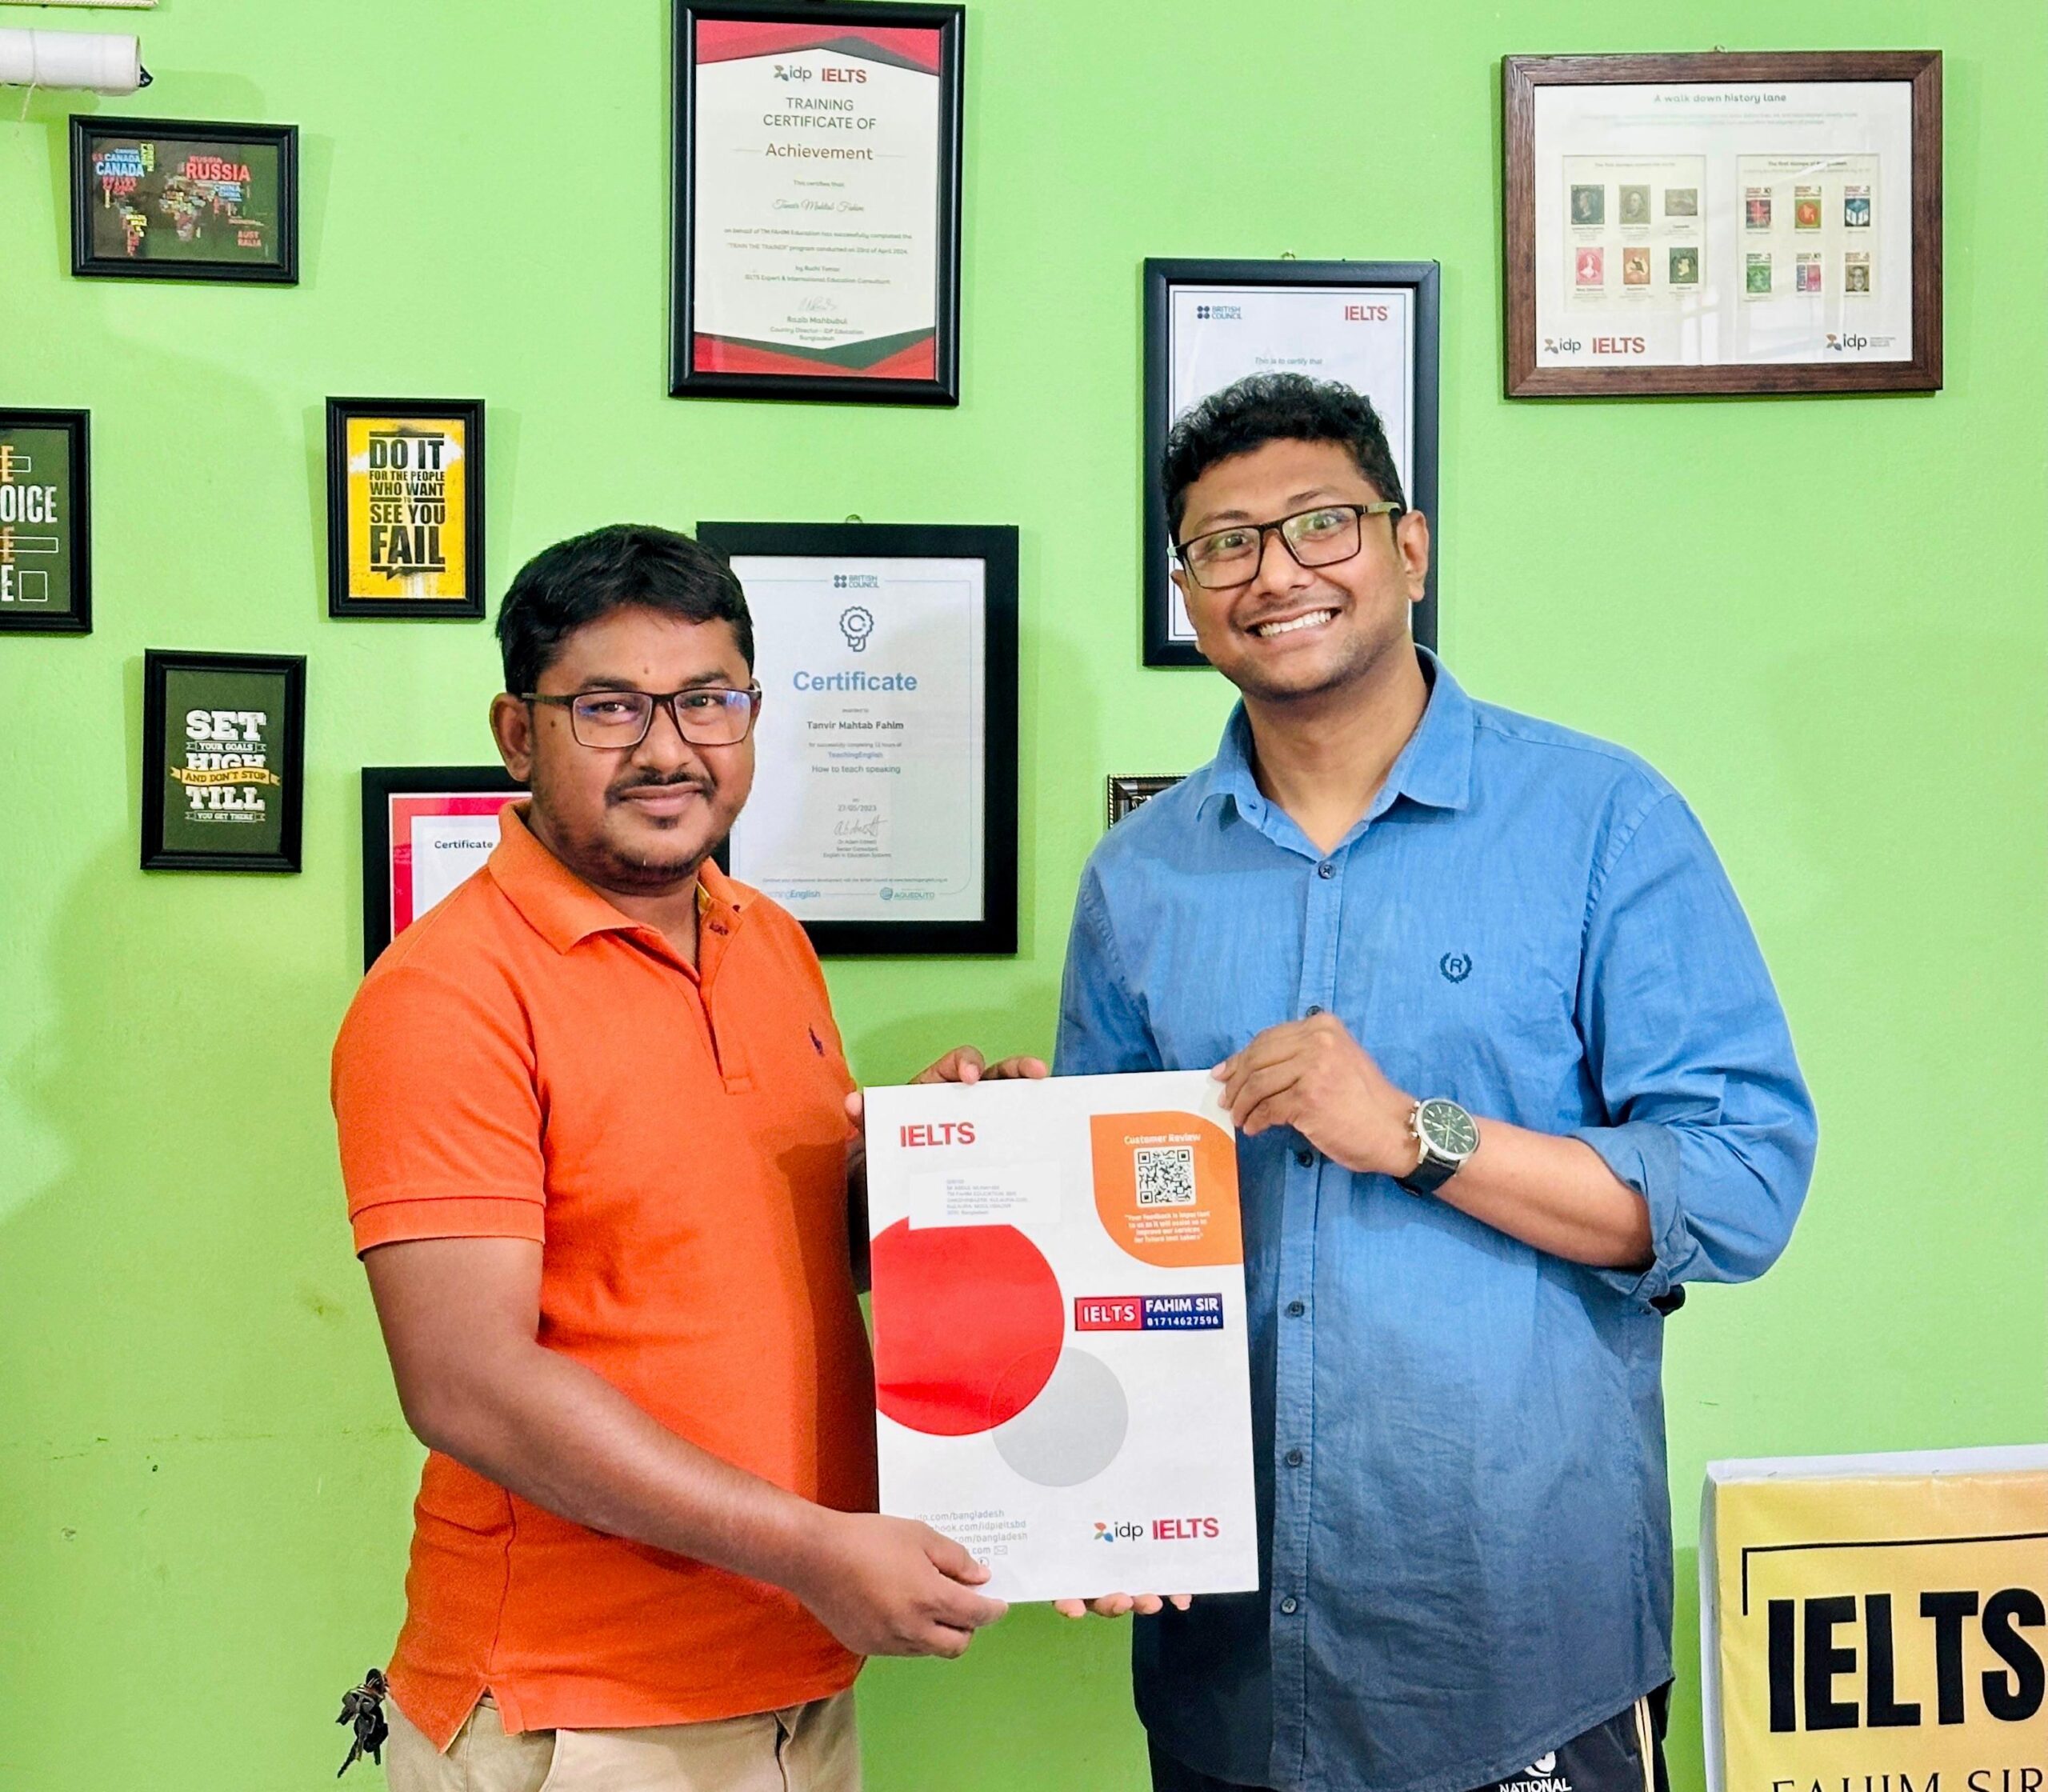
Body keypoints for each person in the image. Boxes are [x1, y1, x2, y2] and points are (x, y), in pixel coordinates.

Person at [1054, 374, 1815, 1792]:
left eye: (1320, 524)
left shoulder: (1601, 821)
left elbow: (1743, 1184)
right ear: (1188, 592)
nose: (1276, 573)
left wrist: (1416, 1133)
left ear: (1409, 548)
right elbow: (1101, 1242)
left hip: (1520, 1654)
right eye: (1225, 544)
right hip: (1229, 1675)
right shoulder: (1139, 880)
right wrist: (1010, 1145)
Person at [332, 523, 1038, 1792]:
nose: (668, 748)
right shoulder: (448, 996)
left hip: (796, 1684)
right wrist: (816, 1551)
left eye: (708, 700)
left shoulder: (767, 939)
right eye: (609, 707)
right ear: (517, 732)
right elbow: (467, 1383)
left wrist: (940, 1164)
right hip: (577, 1717)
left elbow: (769, 1249)